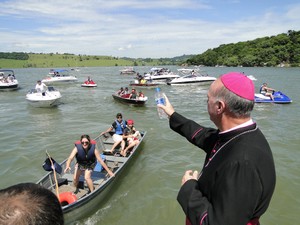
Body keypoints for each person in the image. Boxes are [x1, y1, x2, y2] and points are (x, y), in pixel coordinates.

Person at [158, 72, 276, 225]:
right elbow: (201, 134)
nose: (206, 102)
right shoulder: (238, 134)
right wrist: (172, 114)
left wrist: (189, 188)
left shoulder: (243, 161)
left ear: (219, 107)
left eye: (208, 99)